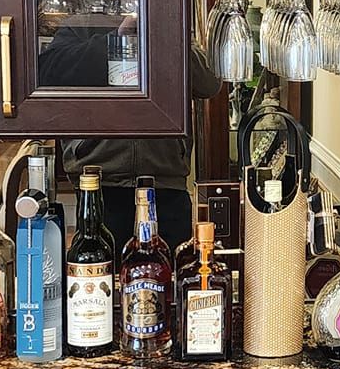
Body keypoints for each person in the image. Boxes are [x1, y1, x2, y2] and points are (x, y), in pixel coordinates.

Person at [62, 42, 221, 254]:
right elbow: (53, 69)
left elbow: (209, 83)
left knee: (169, 278)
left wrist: (165, 34)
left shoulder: (169, 27)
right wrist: (111, 38)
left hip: (166, 184)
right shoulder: (82, 28)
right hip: (101, 185)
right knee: (103, 278)